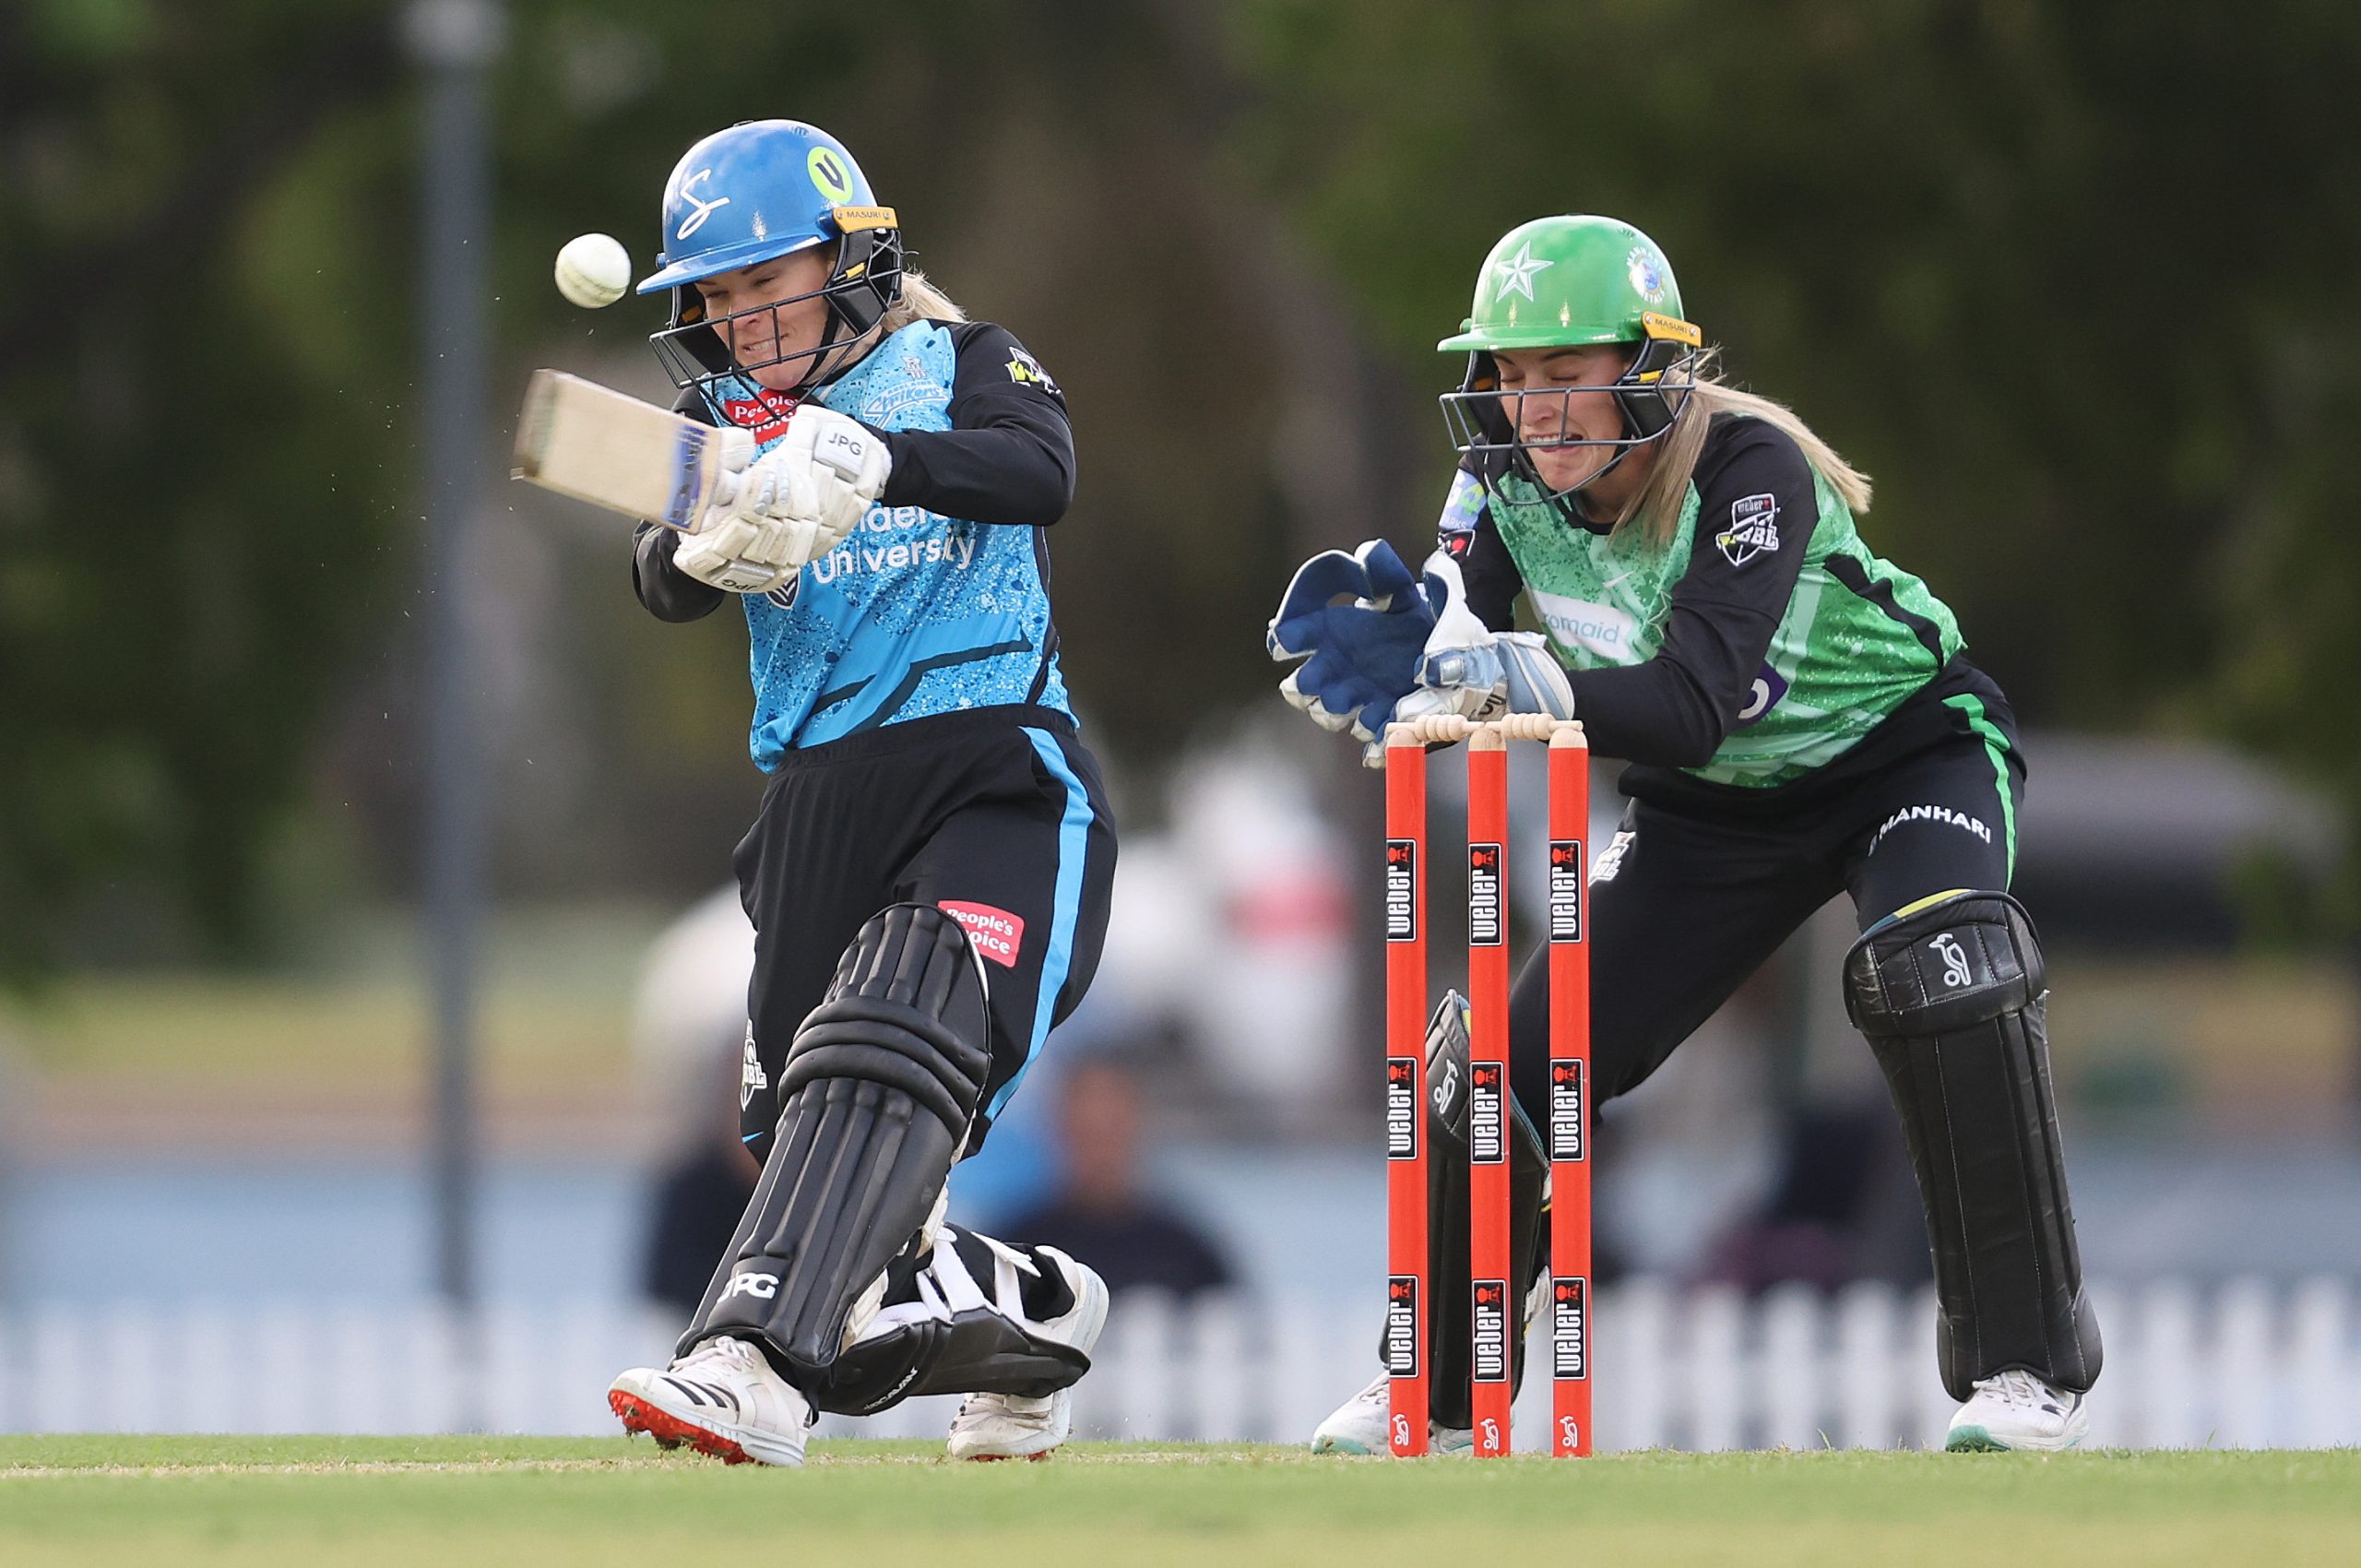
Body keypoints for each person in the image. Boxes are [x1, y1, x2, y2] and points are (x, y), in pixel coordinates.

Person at [1271, 215, 2099, 1454]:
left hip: (1900, 754)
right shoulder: (1503, 473)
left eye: (1565, 377)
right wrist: (1415, 655)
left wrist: (1520, 682)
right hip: (1716, 816)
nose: (1532, 409)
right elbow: (1453, 619)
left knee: (1948, 970)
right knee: (1509, 1058)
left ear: (1651, 370)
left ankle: (2028, 1374)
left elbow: (1697, 704)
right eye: (1510, 376)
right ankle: (1436, 1390)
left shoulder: (1751, 469)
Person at [603, 119, 1119, 1467]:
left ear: (852, 258)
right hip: (817, 808)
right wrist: (707, 536)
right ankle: (1037, 1314)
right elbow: (655, 579)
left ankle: (750, 1365)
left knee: (897, 1028)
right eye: (714, 297)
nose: (739, 318)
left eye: (763, 280)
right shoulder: (708, 421)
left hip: (997, 772)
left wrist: (878, 460)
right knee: (823, 1155)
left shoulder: (964, 361)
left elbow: (1042, 473)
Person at [999, 1055, 1235, 1301]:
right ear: (1058, 1129)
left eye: (1111, 1127)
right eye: (1088, 1130)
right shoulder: (1016, 1252)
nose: (1100, 1147)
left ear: (1138, 1124)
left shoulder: (1186, 1255)